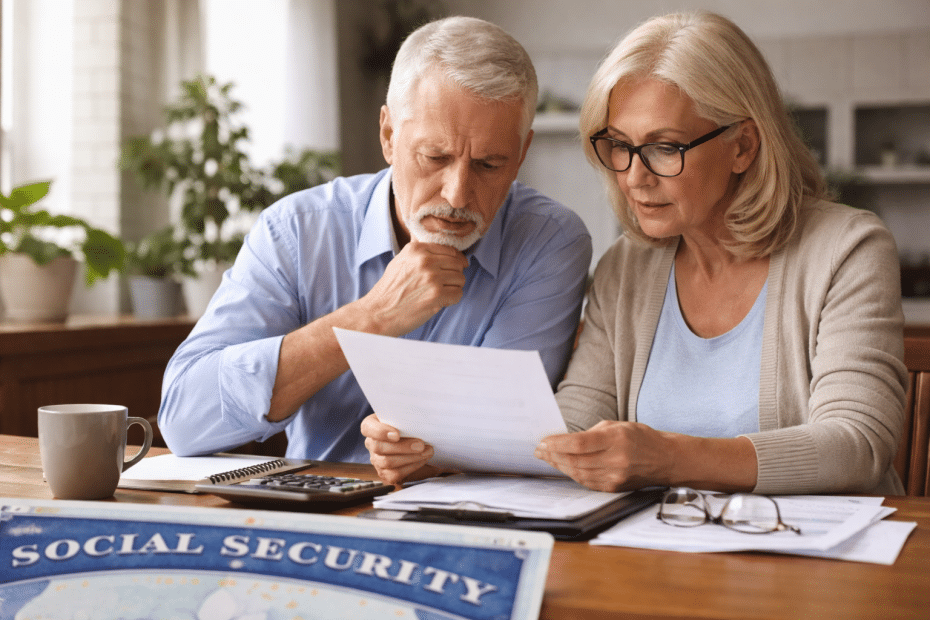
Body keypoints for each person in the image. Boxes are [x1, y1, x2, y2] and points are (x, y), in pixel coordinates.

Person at [365, 11, 908, 496]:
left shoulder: (846, 249)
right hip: (663, 557)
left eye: (664, 147)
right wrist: (440, 452)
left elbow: (856, 445)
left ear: (743, 145)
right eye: (619, 147)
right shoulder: (627, 267)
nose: (634, 176)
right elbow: (573, 426)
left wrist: (668, 458)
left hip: (823, 572)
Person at [158, 16, 592, 462]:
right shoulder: (296, 231)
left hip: (464, 516)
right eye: (435, 156)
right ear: (388, 136)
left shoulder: (549, 242)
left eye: (489, 165)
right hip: (316, 513)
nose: (458, 194)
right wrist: (370, 318)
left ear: (521, 155)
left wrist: (428, 457)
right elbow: (185, 422)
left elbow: (503, 440)